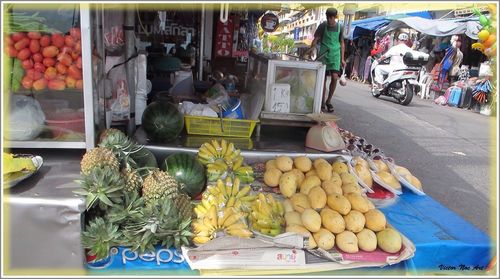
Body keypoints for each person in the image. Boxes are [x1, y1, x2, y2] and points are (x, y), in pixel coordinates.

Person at [306, 7, 345, 113]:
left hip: (335, 55)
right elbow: (316, 39)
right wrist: (311, 49)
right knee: (322, 80)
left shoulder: (340, 27)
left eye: (331, 18)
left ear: (335, 17)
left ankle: (329, 101)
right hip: (323, 54)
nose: (329, 20)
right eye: (328, 17)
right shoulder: (323, 25)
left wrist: (342, 58)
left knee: (334, 77)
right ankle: (321, 102)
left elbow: (342, 42)